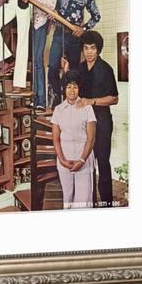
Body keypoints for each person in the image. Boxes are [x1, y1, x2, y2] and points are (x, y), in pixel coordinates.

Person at [62, 30, 119, 207]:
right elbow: (70, 88)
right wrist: (66, 72)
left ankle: (107, 204)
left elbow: (114, 98)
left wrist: (92, 101)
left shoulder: (106, 69)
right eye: (86, 48)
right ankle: (89, 203)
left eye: (92, 48)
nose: (89, 52)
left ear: (98, 49)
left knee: (102, 162)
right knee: (85, 163)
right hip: (83, 123)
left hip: (102, 121)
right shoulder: (79, 69)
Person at [47, 0, 101, 107]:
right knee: (52, 68)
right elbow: (52, 10)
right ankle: (56, 100)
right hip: (59, 34)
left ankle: (71, 103)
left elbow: (96, 16)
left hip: (75, 38)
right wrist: (53, 16)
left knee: (73, 73)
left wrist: (83, 29)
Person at [25, 0, 63, 111]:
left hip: (40, 22)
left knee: (39, 60)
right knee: (32, 60)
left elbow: (51, 4)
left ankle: (41, 99)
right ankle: (35, 96)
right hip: (28, 19)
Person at [51, 70, 96, 209]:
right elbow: (56, 139)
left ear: (79, 89)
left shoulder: (87, 108)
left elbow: (91, 139)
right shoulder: (58, 110)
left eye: (75, 87)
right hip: (64, 159)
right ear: (64, 89)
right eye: (69, 86)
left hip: (84, 158)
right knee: (68, 198)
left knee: (83, 201)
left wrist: (82, 160)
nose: (72, 90)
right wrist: (62, 160)